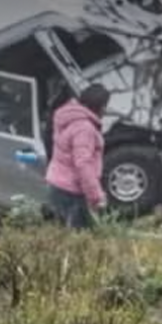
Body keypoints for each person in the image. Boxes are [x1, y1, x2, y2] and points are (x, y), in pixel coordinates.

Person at [45, 84, 110, 229]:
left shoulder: (68, 117)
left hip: (56, 185)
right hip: (71, 191)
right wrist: (96, 196)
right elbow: (83, 164)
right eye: (105, 105)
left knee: (61, 233)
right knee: (80, 236)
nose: (106, 110)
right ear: (100, 107)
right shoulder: (84, 128)